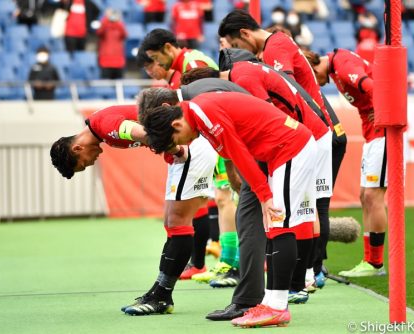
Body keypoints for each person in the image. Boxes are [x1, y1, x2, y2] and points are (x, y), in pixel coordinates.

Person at [142, 91, 318, 328]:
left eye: (178, 139)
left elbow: (238, 153)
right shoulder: (197, 114)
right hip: (281, 152)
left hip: (291, 148)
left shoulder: (203, 112)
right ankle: (271, 303)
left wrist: (264, 195)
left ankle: (277, 306)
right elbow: (232, 150)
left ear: (176, 123)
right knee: (274, 226)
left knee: (279, 223)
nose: (183, 144)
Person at [181, 53, 332, 304]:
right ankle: (299, 282)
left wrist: (262, 191)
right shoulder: (239, 78)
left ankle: (286, 293)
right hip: (299, 138)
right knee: (295, 214)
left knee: (285, 218)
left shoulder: (241, 80)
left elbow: (256, 128)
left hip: (296, 141)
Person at [50, 104, 217, 316]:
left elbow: (147, 133)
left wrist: (176, 150)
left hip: (191, 146)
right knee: (172, 222)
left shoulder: (104, 126)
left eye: (83, 164)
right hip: (188, 145)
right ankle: (160, 292)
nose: (90, 164)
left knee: (178, 222)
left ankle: (162, 296)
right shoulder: (102, 128)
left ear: (77, 149)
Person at [139, 28, 241, 283]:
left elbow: (208, 105)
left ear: (167, 48)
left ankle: (231, 261)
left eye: (155, 58)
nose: (155, 65)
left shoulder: (192, 63)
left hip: (216, 132)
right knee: (219, 197)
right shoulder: (184, 65)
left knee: (225, 196)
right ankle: (224, 260)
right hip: (213, 133)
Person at [304, 48, 389, 277]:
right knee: (365, 195)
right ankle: (370, 260)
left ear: (312, 67)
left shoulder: (342, 64)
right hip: (373, 134)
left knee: (373, 195)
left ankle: (375, 264)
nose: (317, 86)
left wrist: (383, 112)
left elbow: (373, 86)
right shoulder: (336, 69)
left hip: (383, 133)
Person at [218, 9, 329, 124]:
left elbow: (289, 96)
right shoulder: (277, 41)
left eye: (236, 45)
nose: (239, 50)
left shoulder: (275, 48)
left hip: (312, 125)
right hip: (313, 121)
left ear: (245, 34)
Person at [96, 8, 127, 79]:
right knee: (106, 86)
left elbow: (125, 34)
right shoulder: (105, 25)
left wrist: (118, 21)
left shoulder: (119, 26)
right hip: (106, 61)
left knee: (119, 85)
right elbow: (99, 32)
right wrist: (106, 18)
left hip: (118, 61)